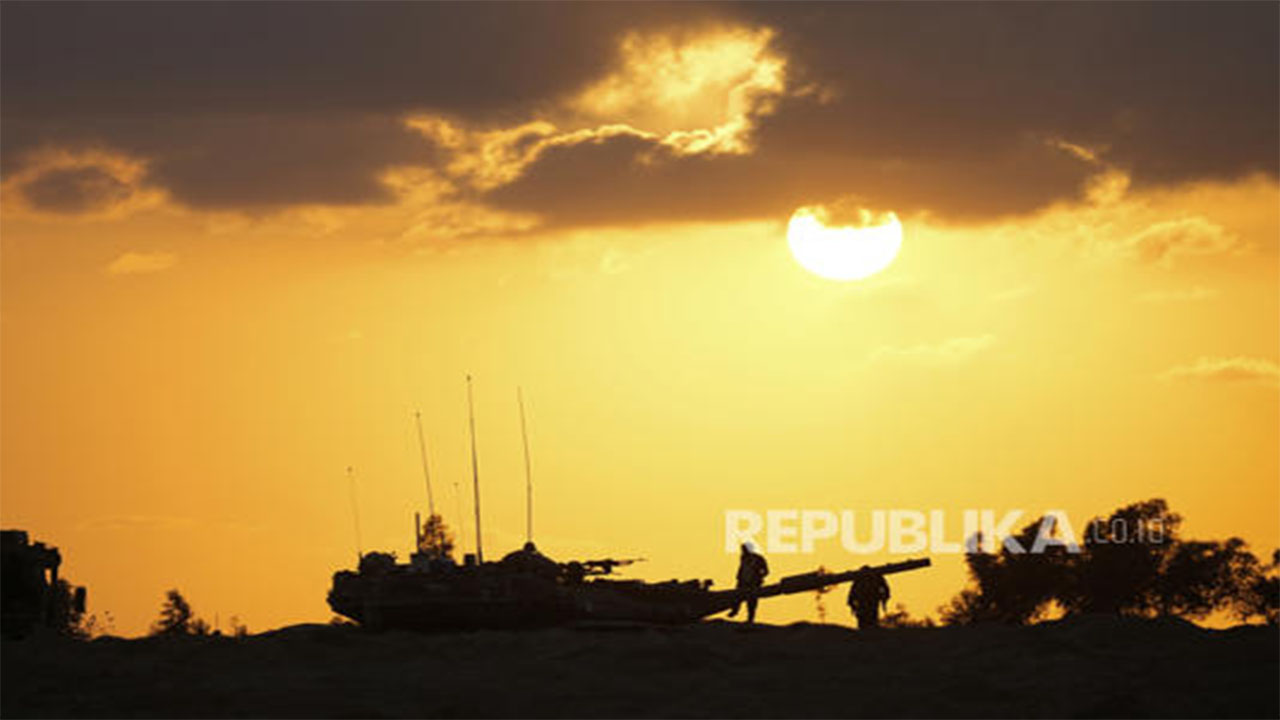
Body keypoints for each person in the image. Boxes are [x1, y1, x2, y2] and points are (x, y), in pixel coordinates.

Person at [727, 542, 769, 623]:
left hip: (753, 583)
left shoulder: (759, 558)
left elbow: (766, 571)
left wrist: (759, 578)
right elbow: (742, 568)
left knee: (751, 601)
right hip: (742, 581)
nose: (743, 551)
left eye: (744, 549)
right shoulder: (743, 557)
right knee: (736, 596)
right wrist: (738, 577)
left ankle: (750, 619)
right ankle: (735, 610)